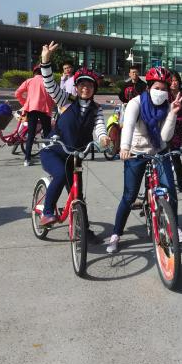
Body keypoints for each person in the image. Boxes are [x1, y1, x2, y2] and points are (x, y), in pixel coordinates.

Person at [37, 42, 111, 246]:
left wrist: (103, 138)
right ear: (76, 87)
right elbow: (50, 85)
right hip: (53, 151)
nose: (86, 88)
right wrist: (45, 61)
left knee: (77, 194)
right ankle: (48, 211)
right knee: (60, 175)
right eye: (82, 85)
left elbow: (100, 127)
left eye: (90, 86)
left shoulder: (96, 109)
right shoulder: (65, 100)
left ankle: (84, 228)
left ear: (94, 89)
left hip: (75, 156)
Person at [107, 66, 182, 253]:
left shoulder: (168, 105)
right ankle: (116, 234)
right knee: (129, 196)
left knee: (170, 190)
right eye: (157, 88)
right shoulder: (136, 103)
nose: (160, 92)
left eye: (164, 89)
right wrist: (124, 148)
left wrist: (173, 114)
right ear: (148, 87)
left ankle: (174, 226)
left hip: (159, 151)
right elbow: (128, 126)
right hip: (136, 152)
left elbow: (165, 137)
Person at [14, 64, 55, 166]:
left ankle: (27, 159)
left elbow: (17, 93)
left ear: (34, 73)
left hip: (32, 109)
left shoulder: (29, 81)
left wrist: (25, 103)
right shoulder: (48, 82)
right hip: (45, 110)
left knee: (31, 134)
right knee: (47, 134)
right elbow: (53, 97)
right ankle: (48, 157)